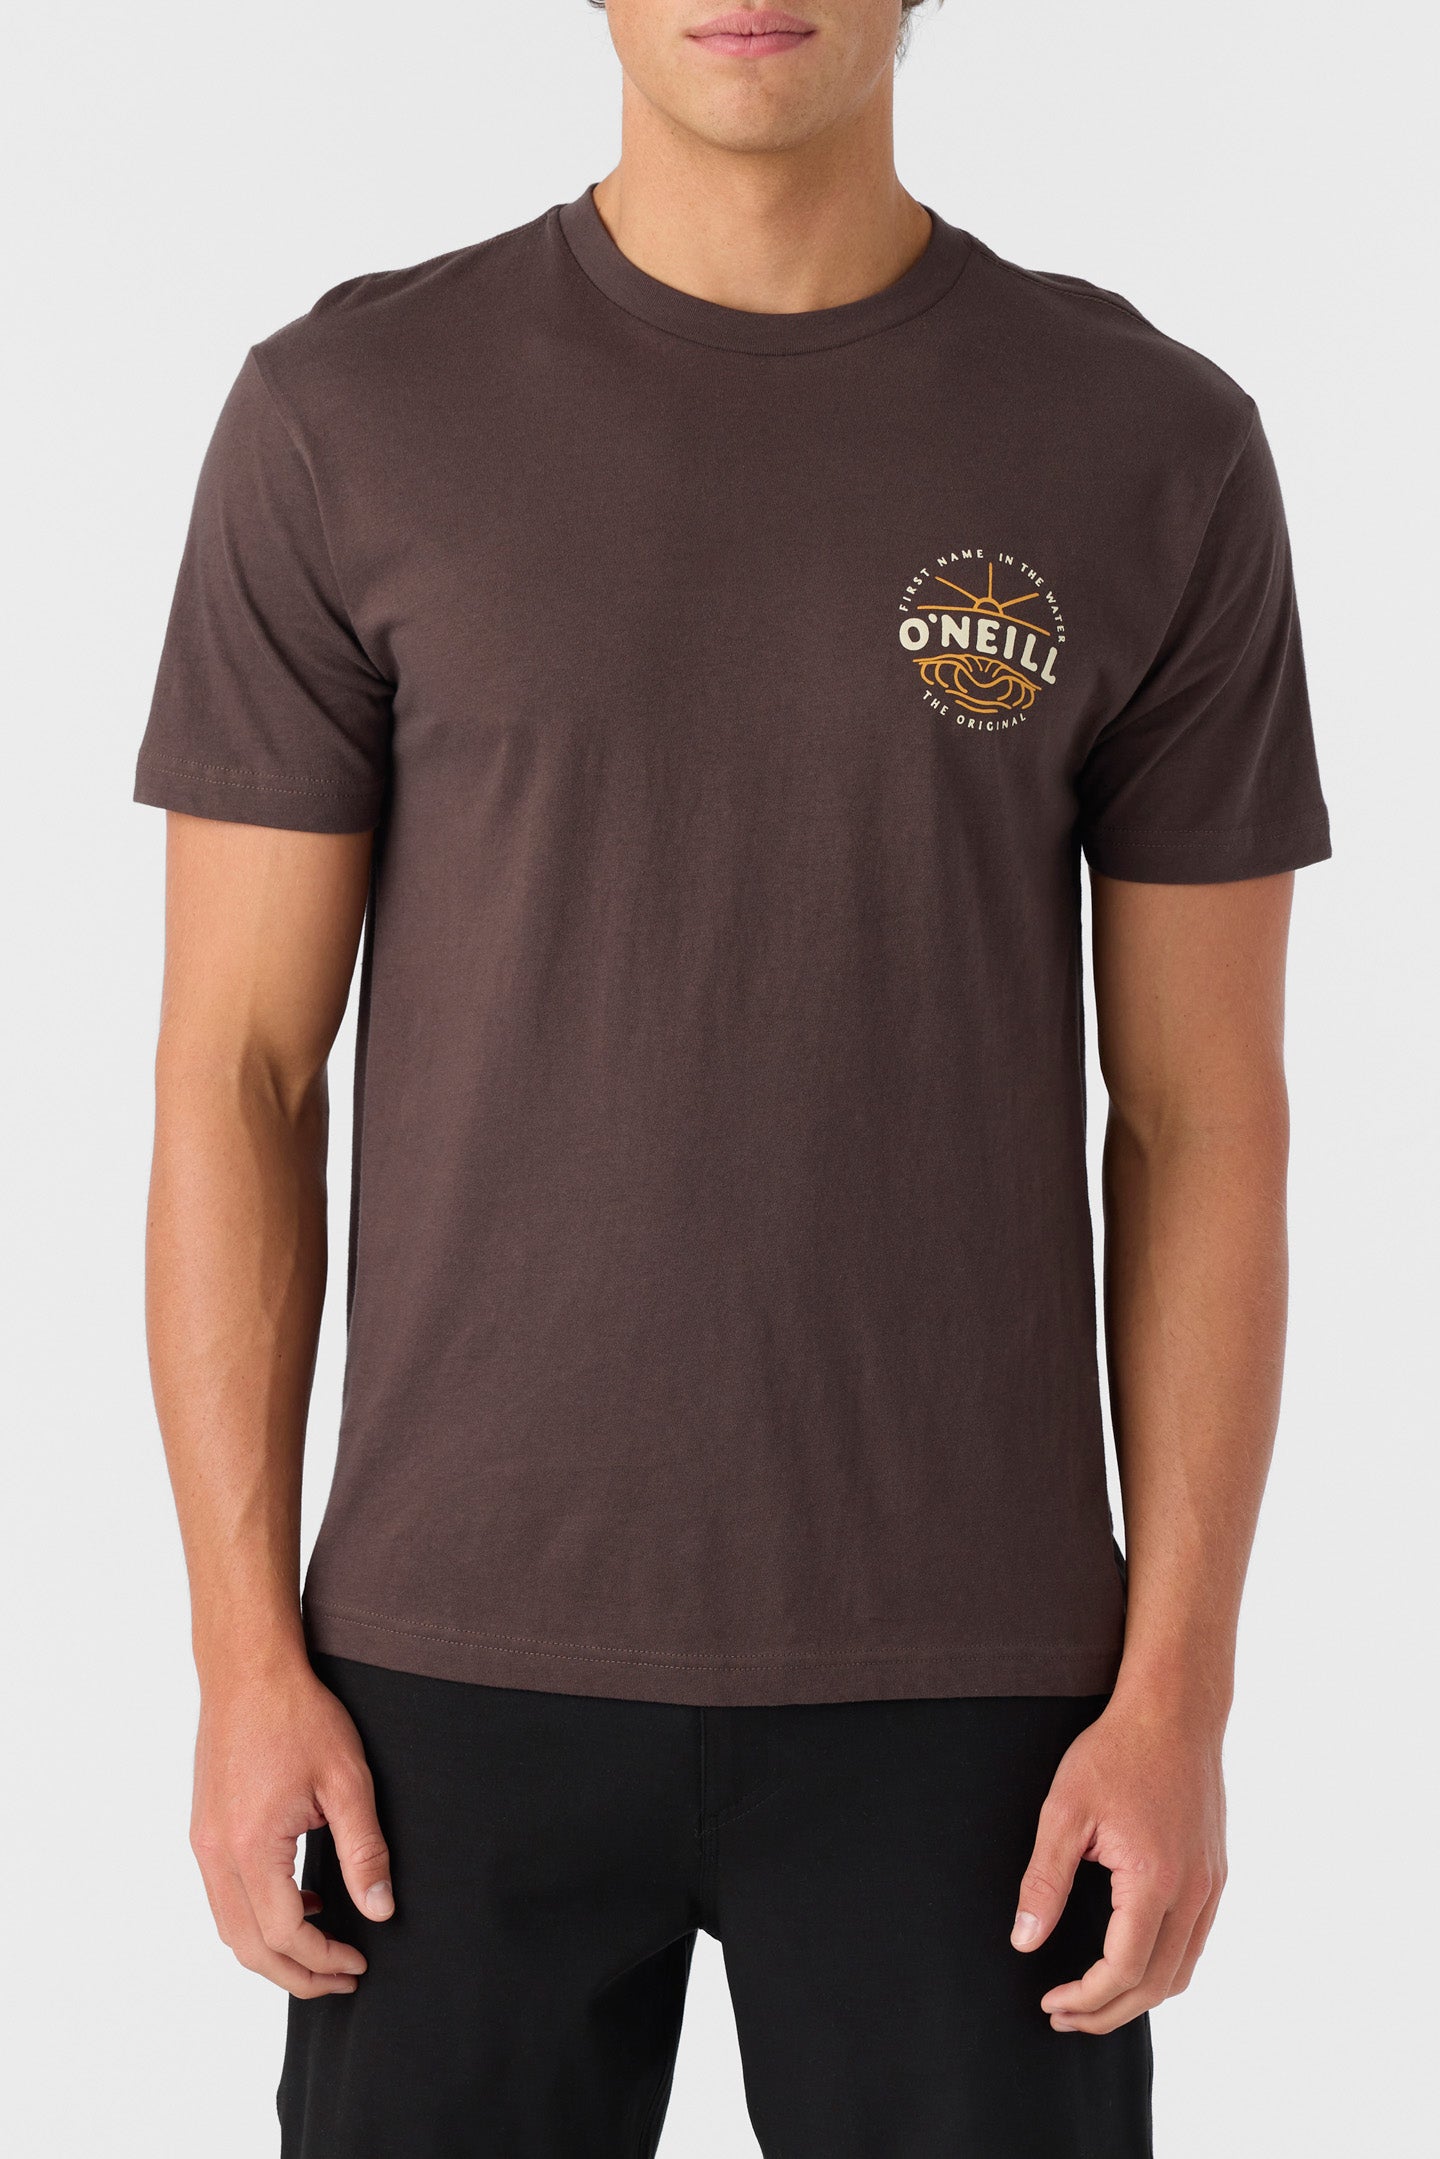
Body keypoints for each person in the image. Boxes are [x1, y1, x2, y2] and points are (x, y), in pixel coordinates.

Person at [134, 3, 1330, 2152]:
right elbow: (237, 1072)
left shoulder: (1148, 444)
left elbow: (1202, 1117)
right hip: (443, 1683)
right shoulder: (348, 416)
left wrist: (1180, 1695)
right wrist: (241, 1659)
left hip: (979, 1702)